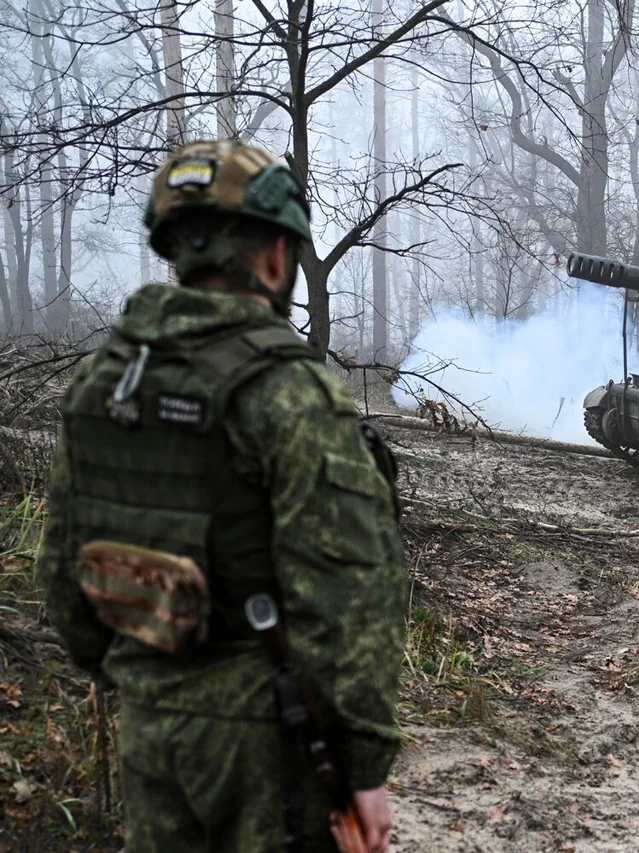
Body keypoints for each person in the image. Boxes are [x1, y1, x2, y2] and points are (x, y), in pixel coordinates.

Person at [36, 140, 405, 853]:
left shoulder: (104, 383)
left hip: (147, 722)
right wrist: (363, 766)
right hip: (266, 740)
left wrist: (148, 678)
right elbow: (348, 598)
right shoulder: (287, 391)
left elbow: (62, 578)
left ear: (179, 249)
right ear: (276, 254)